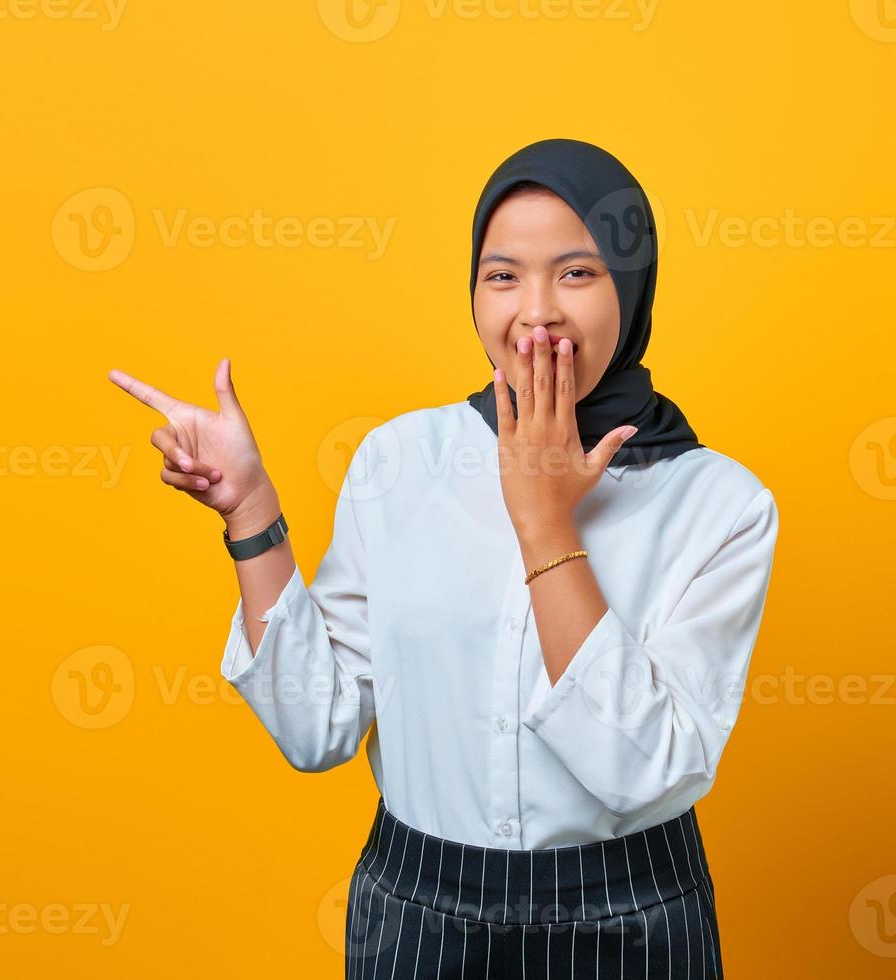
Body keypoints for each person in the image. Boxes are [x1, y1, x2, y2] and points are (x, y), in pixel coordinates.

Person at [106, 138, 777, 978]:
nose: (535, 313)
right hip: (416, 916)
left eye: (576, 273)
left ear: (631, 288)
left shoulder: (721, 504)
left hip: (630, 921)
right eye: (502, 276)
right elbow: (316, 727)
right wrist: (250, 511)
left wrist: (545, 524)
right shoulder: (400, 460)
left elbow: (643, 774)